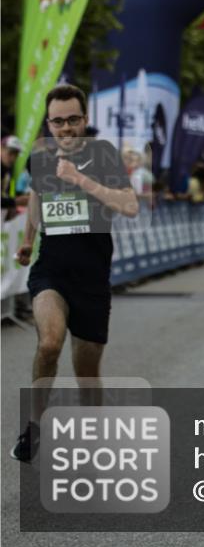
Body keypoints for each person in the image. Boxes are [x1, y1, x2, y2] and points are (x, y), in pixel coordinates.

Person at [12, 84, 139, 462]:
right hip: (50, 268)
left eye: (72, 120)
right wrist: (29, 238)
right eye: (57, 122)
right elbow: (37, 194)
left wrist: (80, 179)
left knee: (86, 373)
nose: (64, 129)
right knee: (49, 343)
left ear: (84, 120)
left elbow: (129, 206)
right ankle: (34, 429)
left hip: (92, 276)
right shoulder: (40, 155)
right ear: (49, 123)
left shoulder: (104, 155)